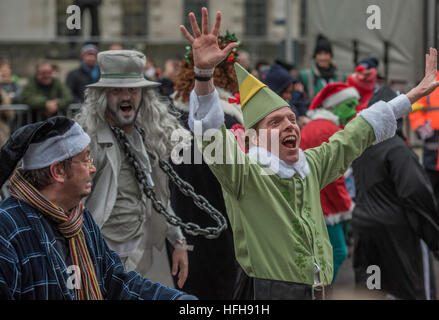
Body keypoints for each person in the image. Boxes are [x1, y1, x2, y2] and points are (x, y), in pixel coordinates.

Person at [180, 7, 439, 300]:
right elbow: (210, 135)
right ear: (255, 138)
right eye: (276, 122)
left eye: (291, 118)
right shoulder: (245, 174)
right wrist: (204, 75)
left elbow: (354, 134)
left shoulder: (311, 165)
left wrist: (410, 97)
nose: (289, 125)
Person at [0, 116, 196, 300]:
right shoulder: (7, 230)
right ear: (58, 171)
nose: (92, 168)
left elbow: (115, 282)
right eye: (85, 159)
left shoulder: (79, 217)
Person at [76, 50, 190, 289]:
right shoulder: (88, 141)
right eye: (117, 91)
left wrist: (178, 241)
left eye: (133, 90)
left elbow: (156, 195)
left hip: (138, 251)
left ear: (143, 96)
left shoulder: (146, 136)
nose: (126, 97)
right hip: (99, 254)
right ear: (103, 97)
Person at [169, 33, 251, 300]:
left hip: (180, 225)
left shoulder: (168, 118)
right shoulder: (231, 120)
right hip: (222, 226)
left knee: (185, 294)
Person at [351, 87, 439, 300]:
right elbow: (416, 190)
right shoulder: (397, 149)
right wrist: (431, 229)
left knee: (371, 287)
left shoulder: (361, 147)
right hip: (396, 232)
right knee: (411, 289)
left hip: (365, 227)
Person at [299, 83, 360, 282]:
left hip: (318, 199)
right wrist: (345, 205)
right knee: (337, 252)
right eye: (349, 105)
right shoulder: (327, 129)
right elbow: (333, 177)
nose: (354, 110)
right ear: (334, 106)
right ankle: (318, 292)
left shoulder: (321, 126)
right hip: (323, 204)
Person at [409, 50, 439, 215]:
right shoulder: (432, 83)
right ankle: (433, 236)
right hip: (433, 155)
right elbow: (415, 109)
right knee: (433, 199)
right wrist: (424, 129)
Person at [299, 34, 347, 102]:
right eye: (319, 54)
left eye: (326, 53)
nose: (323, 58)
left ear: (331, 56)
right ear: (315, 56)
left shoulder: (341, 77)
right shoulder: (306, 76)